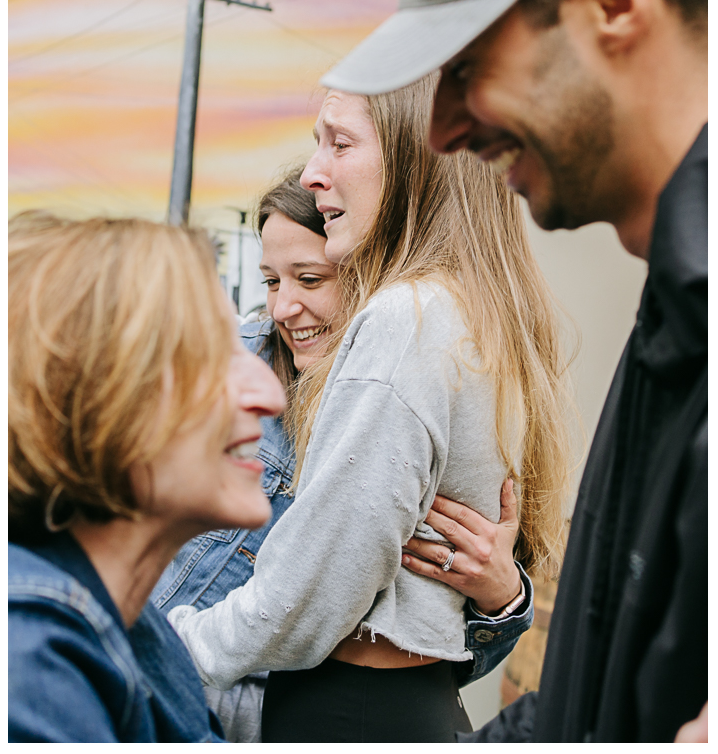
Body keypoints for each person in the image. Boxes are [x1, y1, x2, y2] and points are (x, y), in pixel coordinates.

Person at [321, 0, 707, 742]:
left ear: (617, 1)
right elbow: (613, 706)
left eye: (468, 68)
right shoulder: (677, 300)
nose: (446, 129)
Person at [168, 79, 575, 743]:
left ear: (415, 159)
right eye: (272, 281)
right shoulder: (474, 317)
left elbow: (300, 602)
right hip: (410, 700)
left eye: (339, 143)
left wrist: (163, 645)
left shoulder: (405, 319)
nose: (314, 172)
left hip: (346, 705)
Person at [8, 212, 285, 742]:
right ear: (81, 394)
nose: (268, 395)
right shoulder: (25, 664)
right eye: (209, 356)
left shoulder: (133, 628)